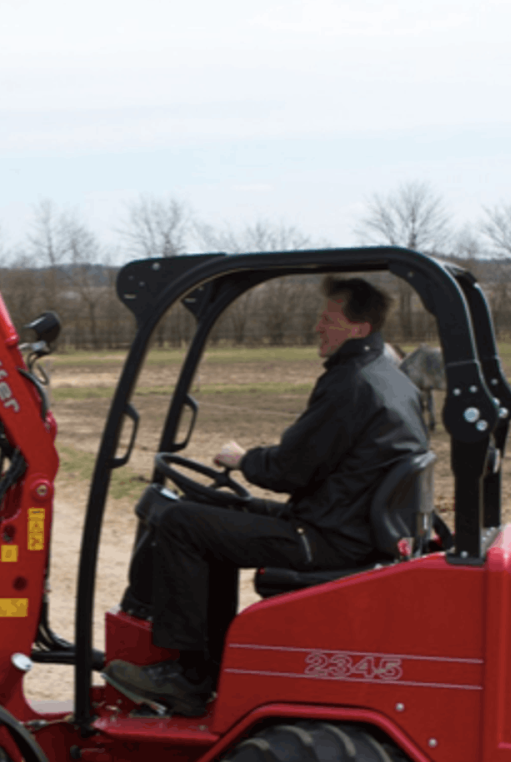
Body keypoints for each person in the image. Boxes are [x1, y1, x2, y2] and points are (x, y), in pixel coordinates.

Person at [104, 276, 429, 716]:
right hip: (344, 522)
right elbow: (319, 461)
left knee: (181, 524)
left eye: (327, 319)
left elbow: (291, 469)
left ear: (358, 327)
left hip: (326, 535)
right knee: (208, 512)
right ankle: (211, 663)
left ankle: (188, 676)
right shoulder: (388, 378)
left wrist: (242, 459)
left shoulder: (351, 383)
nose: (318, 328)